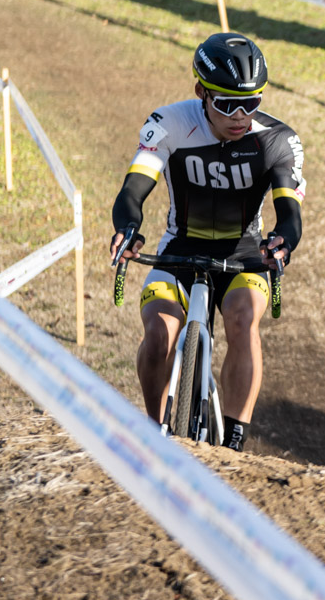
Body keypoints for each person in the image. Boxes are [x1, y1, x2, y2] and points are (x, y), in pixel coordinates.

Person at [109, 33, 305, 452]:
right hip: (179, 248)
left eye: (251, 103)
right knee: (159, 333)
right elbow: (133, 190)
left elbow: (289, 214)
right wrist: (128, 226)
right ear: (201, 92)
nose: (240, 116)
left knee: (242, 320)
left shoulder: (276, 140)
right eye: (227, 103)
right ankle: (153, 429)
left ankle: (235, 441)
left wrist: (282, 241)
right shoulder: (171, 123)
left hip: (244, 253)